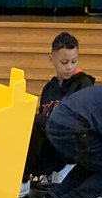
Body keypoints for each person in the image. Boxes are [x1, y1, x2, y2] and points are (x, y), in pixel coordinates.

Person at [24, 32, 96, 182]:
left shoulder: (83, 83)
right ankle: (37, 172)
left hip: (72, 145)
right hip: (52, 147)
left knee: (39, 121)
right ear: (52, 59)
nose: (69, 67)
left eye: (74, 61)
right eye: (64, 62)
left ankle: (24, 178)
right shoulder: (49, 88)